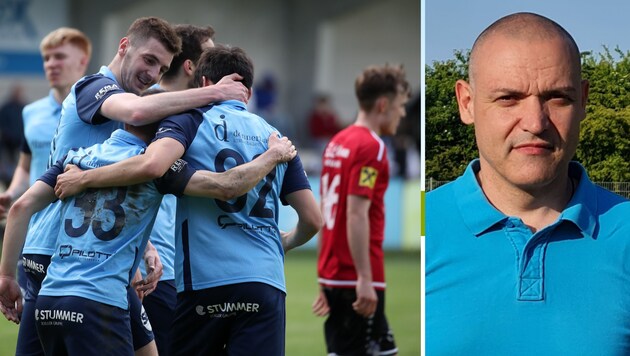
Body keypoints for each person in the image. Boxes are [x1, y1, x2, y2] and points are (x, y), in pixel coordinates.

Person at [53, 45, 323, 355]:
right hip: (265, 281)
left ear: (204, 84)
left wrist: (84, 177)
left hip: (204, 284)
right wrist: (285, 241)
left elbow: (151, 164)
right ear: (247, 92)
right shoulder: (278, 139)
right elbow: (313, 220)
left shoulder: (187, 121)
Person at [0, 16, 245, 356]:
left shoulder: (125, 120)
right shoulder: (94, 87)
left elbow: (118, 183)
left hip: (97, 258)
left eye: (160, 68)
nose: (152, 74)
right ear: (124, 46)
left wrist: (144, 245)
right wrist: (215, 92)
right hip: (57, 252)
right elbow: (141, 114)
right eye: (148, 60)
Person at [426, 12, 630, 354]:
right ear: (467, 103)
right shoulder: (425, 223)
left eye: (557, 98)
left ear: (583, 101)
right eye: (508, 98)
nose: (535, 122)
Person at [0, 119, 296, 355]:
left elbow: (20, 208)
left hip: (50, 301)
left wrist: (7, 278)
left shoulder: (75, 157)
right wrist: (272, 155)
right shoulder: (158, 168)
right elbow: (227, 185)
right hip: (99, 301)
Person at [0, 27, 92, 356]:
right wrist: (12, 191)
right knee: (33, 343)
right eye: (46, 58)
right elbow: (26, 165)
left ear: (83, 62)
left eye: (60, 57)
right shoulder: (31, 113)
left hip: (83, 240)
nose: (51, 64)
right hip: (36, 238)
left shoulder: (98, 111)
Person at [313, 64, 409, 356]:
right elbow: (355, 214)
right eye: (400, 106)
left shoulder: (336, 142)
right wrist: (364, 279)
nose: (402, 114)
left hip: (335, 272)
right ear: (383, 105)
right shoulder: (372, 147)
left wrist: (323, 277)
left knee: (383, 350)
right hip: (357, 275)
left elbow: (325, 210)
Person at [141, 23, 216, 356]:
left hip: (174, 269)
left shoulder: (186, 114)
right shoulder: (145, 112)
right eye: (210, 58)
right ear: (190, 67)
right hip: (157, 270)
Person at [0, 84, 26, 186]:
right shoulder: (6, 107)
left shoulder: (24, 107)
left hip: (20, 141)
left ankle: (17, 181)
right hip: (7, 142)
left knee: (20, 163)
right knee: (7, 162)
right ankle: (7, 180)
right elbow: (2, 123)